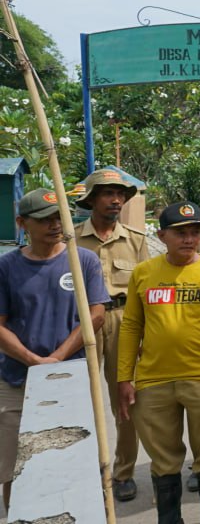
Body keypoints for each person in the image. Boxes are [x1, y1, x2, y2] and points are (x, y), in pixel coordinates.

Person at [118, 202, 200, 524]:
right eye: (180, 233)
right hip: (153, 380)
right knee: (163, 458)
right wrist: (124, 377)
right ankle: (169, 518)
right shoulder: (144, 273)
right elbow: (131, 326)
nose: (189, 239)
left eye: (195, 232)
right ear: (162, 236)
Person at [0, 189, 109, 511]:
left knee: (71, 460)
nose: (55, 225)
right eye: (44, 219)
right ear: (22, 223)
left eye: (59, 218)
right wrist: (33, 361)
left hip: (70, 379)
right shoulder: (7, 266)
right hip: (17, 380)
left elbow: (96, 314)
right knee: (15, 467)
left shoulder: (83, 260)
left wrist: (57, 358)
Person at [74, 167, 151, 502]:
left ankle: (123, 473)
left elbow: (145, 291)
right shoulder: (72, 239)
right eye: (108, 193)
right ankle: (88, 470)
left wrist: (145, 336)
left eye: (120, 194)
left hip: (124, 320)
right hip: (83, 321)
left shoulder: (136, 240)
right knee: (82, 399)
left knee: (126, 399)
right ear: (92, 200)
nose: (116, 200)